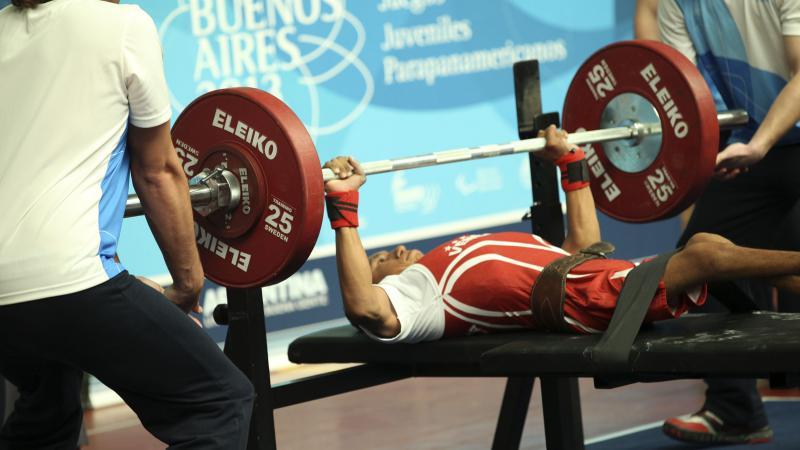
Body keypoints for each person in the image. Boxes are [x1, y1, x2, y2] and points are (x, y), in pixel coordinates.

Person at [0, 0, 254, 449]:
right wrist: (188, 286)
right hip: (69, 278)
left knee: (46, 412)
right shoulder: (124, 27)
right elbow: (157, 172)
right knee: (219, 402)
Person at [322, 128, 800, 346]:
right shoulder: (415, 297)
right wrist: (343, 206)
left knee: (709, 245)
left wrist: (571, 166)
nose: (398, 251)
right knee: (705, 256)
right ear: (380, 279)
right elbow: (363, 305)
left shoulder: (447, 256)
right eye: (384, 257)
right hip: (583, 302)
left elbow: (582, 248)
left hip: (591, 276)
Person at [634, 0, 800, 444]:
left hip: (771, 141)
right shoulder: (676, 2)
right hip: (753, 147)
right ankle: (735, 410)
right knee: (697, 268)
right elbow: (686, 90)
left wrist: (759, 144)